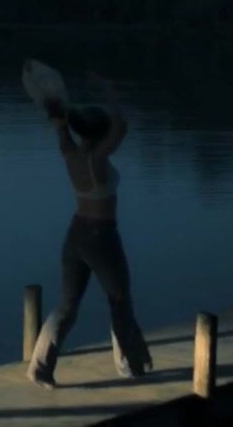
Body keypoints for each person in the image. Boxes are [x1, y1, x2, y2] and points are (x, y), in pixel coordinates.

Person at [27, 72, 151, 389]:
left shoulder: (70, 153)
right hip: (101, 237)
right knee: (119, 300)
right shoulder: (97, 159)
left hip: (75, 235)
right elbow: (121, 126)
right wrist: (109, 89)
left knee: (67, 305)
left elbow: (60, 128)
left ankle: (40, 368)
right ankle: (129, 365)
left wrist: (58, 113)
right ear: (101, 134)